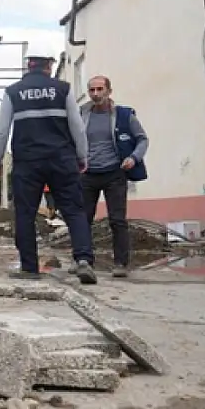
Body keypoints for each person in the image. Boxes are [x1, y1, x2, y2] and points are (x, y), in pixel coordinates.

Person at [0, 41, 97, 284]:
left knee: (25, 213)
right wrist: (82, 156)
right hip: (62, 159)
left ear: (28, 65)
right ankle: (83, 259)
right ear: (49, 65)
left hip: (27, 163)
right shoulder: (63, 89)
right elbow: (77, 127)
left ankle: (29, 267)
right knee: (74, 210)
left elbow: (1, 131)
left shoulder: (13, 92)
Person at [75, 75, 150, 278]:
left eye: (100, 89)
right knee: (83, 219)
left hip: (115, 173)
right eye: (92, 90)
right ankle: (83, 261)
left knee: (117, 220)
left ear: (109, 91)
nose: (96, 94)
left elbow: (142, 139)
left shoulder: (124, 115)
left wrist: (134, 158)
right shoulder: (81, 114)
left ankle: (120, 263)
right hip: (87, 174)